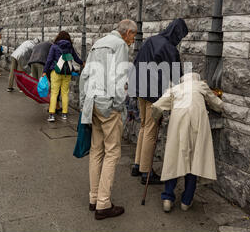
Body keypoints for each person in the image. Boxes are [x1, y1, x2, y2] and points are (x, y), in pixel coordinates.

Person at [79, 20, 137, 220]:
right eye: (133, 36)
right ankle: (103, 204)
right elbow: (119, 77)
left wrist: (83, 102)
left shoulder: (98, 42)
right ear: (127, 32)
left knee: (96, 150)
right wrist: (120, 105)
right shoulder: (119, 45)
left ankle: (94, 198)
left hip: (92, 102)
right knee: (112, 152)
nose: (133, 41)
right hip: (108, 104)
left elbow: (84, 75)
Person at [151, 73, 223, 213]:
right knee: (193, 160)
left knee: (174, 159)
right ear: (197, 79)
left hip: (178, 125)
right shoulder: (201, 85)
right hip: (197, 125)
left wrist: (157, 118)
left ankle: (168, 198)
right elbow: (218, 105)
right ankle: (186, 201)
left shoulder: (176, 88)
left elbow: (157, 106)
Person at [128, 18, 188, 185]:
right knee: (150, 131)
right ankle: (146, 172)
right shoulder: (170, 49)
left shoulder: (151, 40)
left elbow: (136, 60)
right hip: (154, 94)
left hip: (139, 88)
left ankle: (137, 164)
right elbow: (177, 78)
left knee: (143, 126)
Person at [43, 31, 84, 121]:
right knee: (65, 93)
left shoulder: (54, 46)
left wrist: (45, 71)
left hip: (56, 72)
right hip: (67, 73)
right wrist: (82, 63)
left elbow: (49, 60)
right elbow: (76, 58)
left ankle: (51, 115)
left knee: (54, 93)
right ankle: (64, 114)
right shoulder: (70, 47)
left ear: (58, 37)